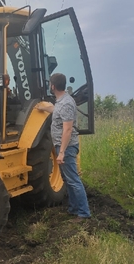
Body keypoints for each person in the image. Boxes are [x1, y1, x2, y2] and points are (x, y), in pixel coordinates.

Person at [36, 73, 91, 222]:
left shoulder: (66, 103)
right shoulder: (61, 101)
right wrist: (45, 108)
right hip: (62, 146)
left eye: (50, 84)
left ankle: (84, 212)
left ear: (53, 86)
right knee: (67, 179)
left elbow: (67, 129)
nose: (49, 86)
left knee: (73, 180)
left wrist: (61, 152)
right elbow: (57, 113)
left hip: (66, 147)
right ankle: (73, 208)